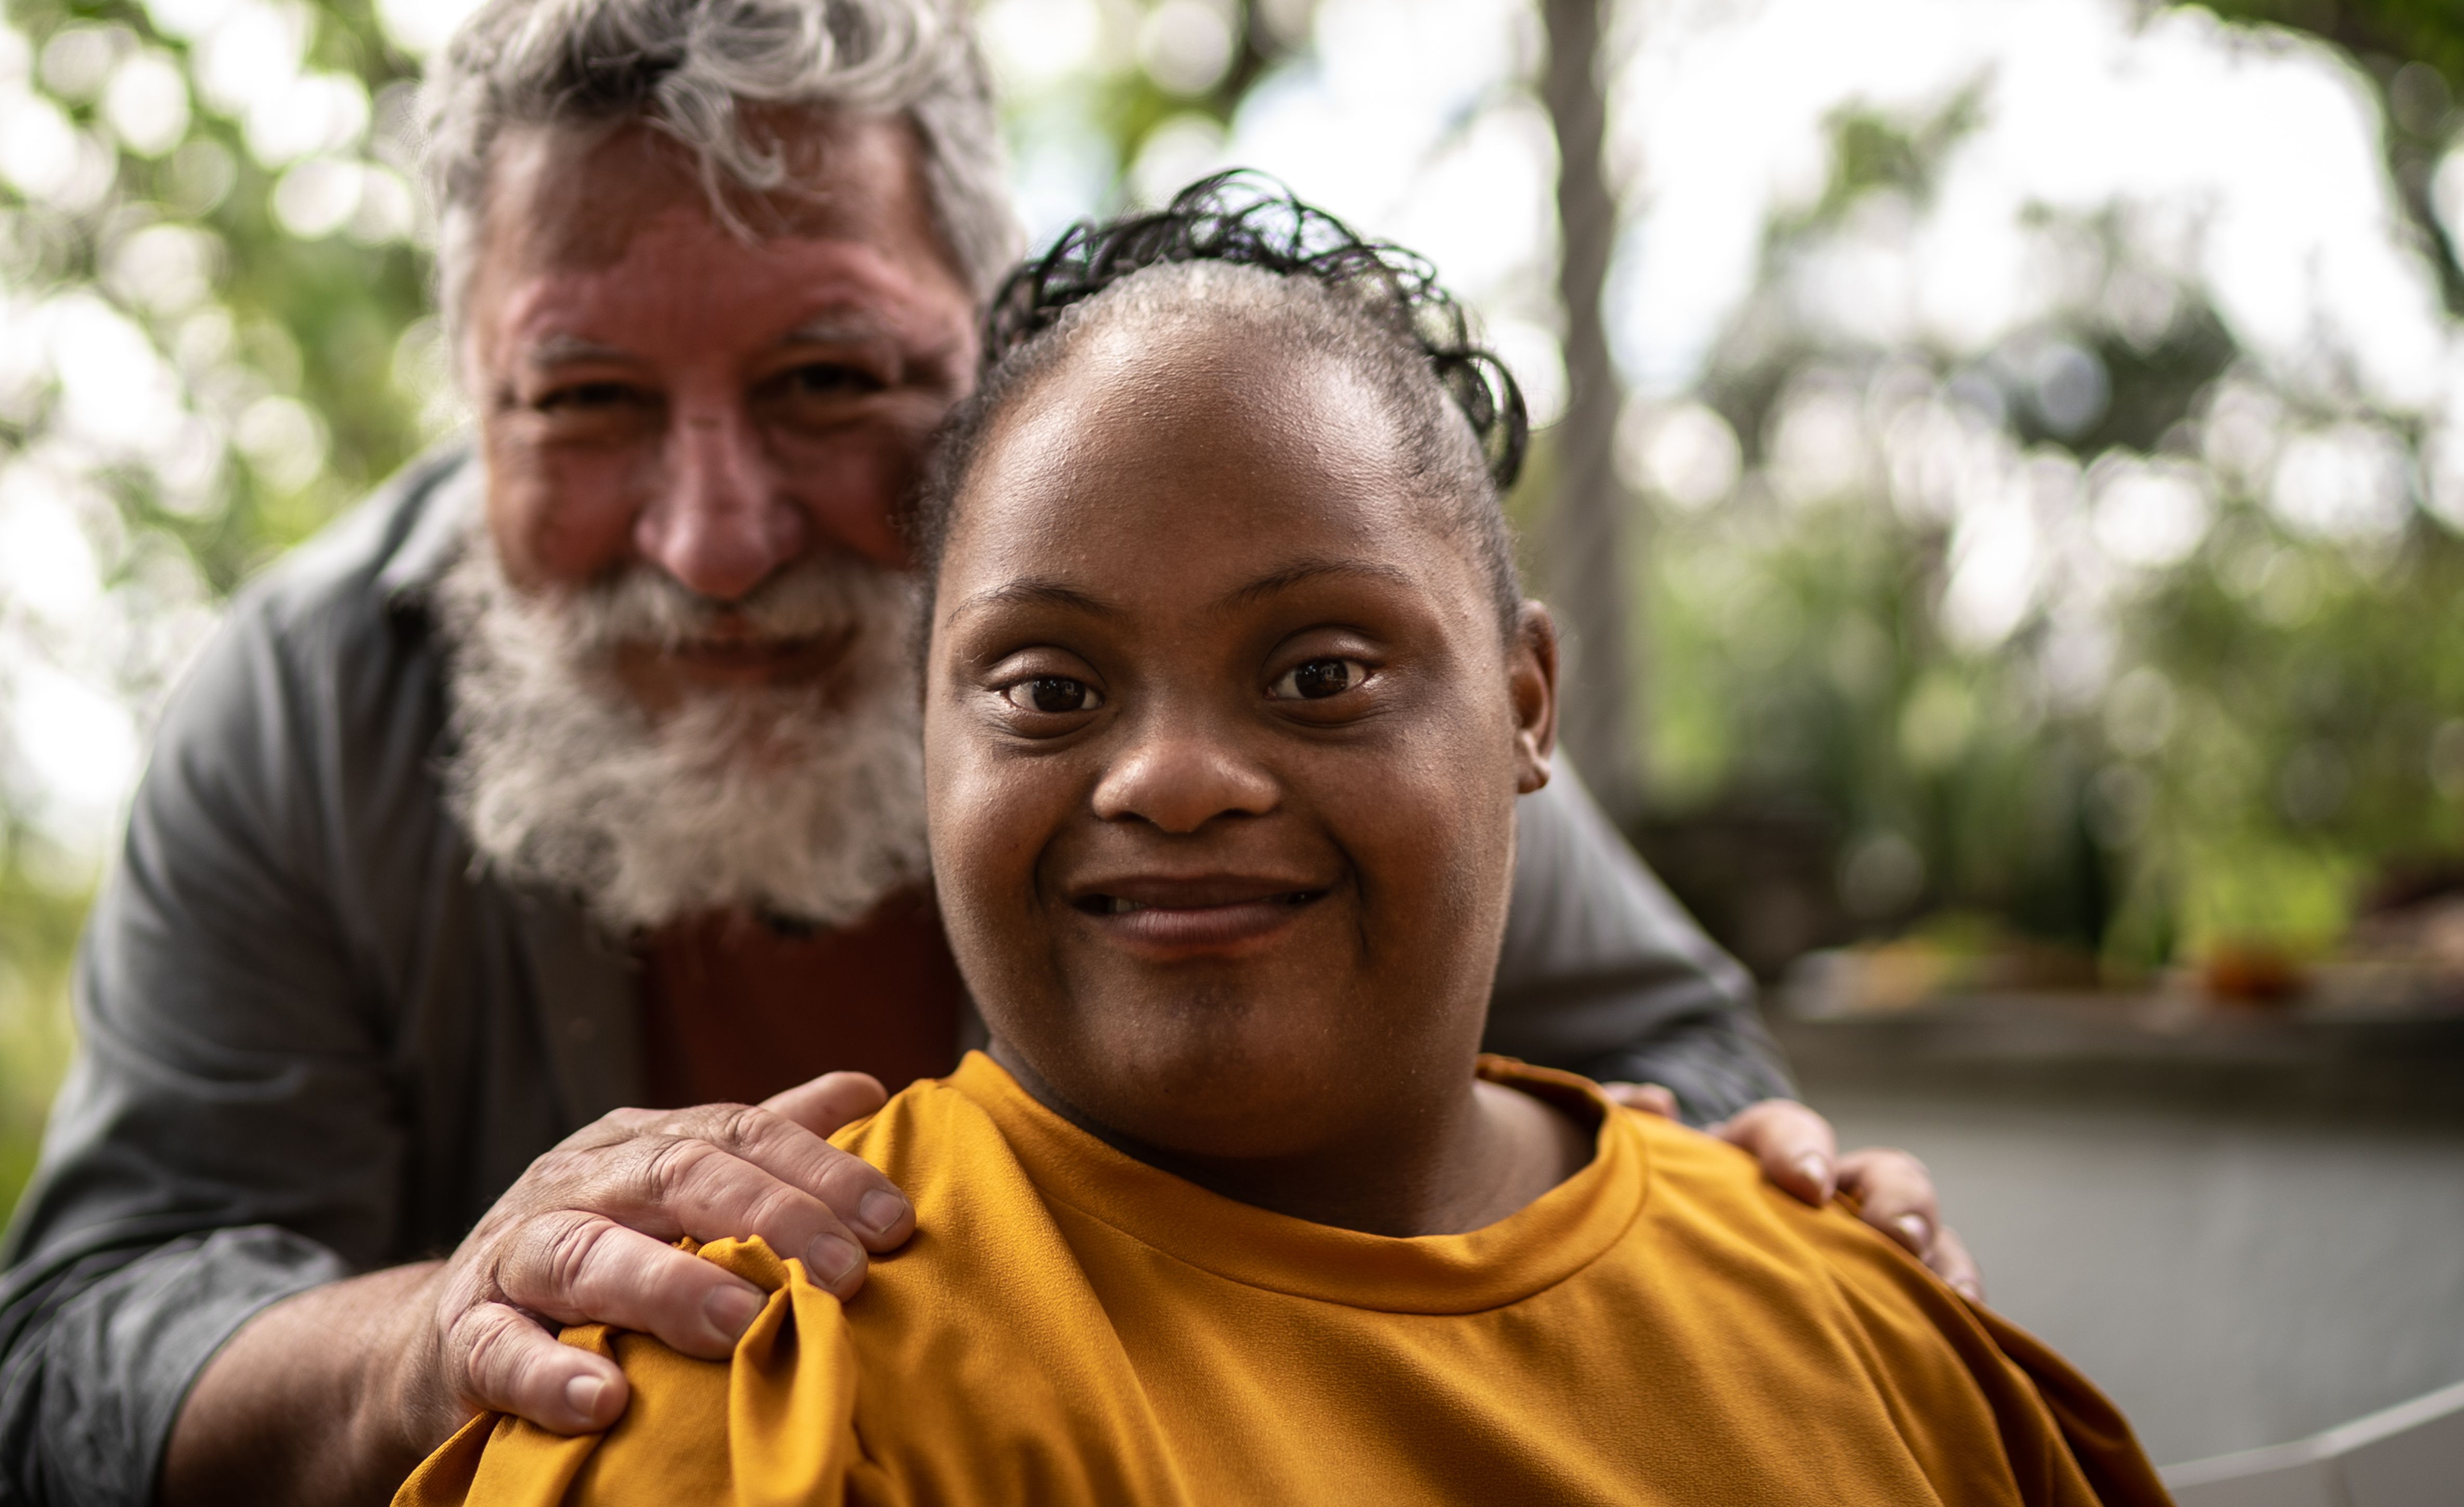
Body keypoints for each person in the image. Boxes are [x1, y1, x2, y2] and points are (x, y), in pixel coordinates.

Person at [0, 0, 1973, 1507]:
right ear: (472, 408)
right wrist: (432, 1342)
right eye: (583, 403)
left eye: (829, 379)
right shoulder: (316, 704)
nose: (717, 538)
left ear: (995, 365)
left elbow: (1673, 1077)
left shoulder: (1282, 656)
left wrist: (1788, 1222)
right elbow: (68, 1371)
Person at [403, 186, 2163, 1507]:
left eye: (1321, 672)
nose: (1174, 779)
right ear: (920, 746)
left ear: (1526, 706)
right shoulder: (747, 1382)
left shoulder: (1862, 1323)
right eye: (1047, 687)